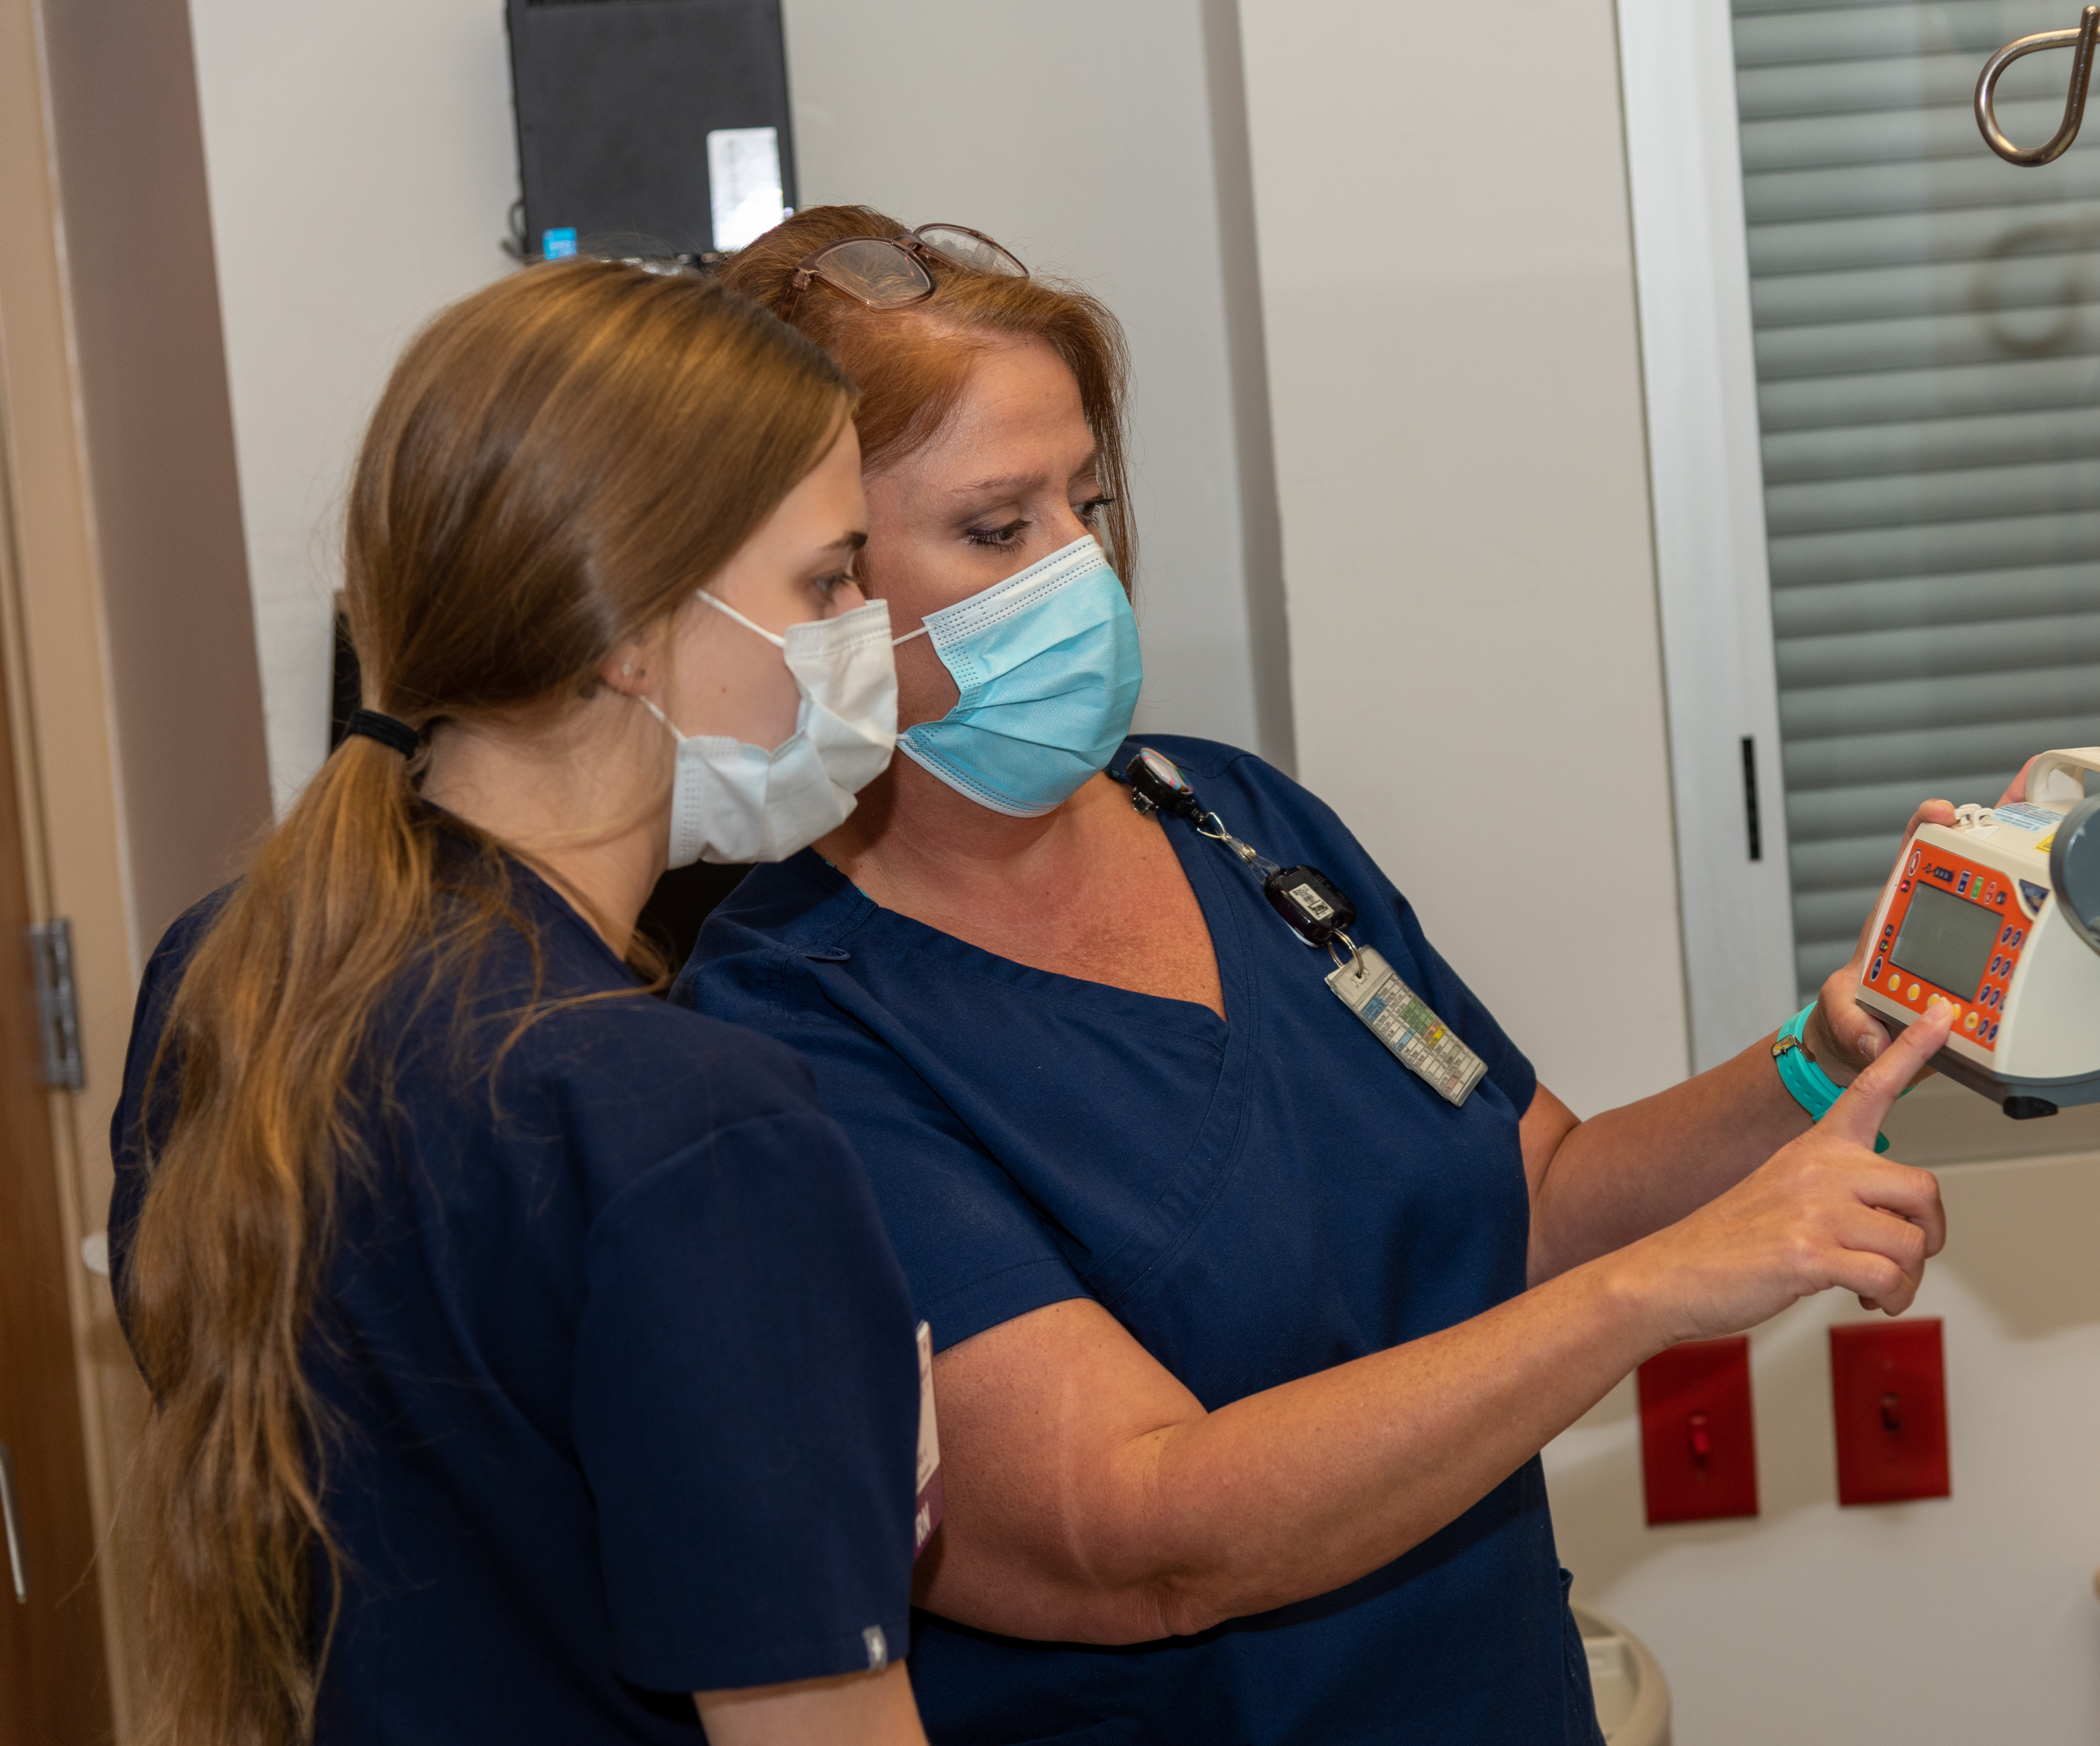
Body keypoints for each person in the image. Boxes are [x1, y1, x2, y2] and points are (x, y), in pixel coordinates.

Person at [676, 207, 1956, 1746]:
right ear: (813, 581)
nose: (1084, 574)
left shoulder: (1226, 819)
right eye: (998, 528)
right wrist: (1648, 1298)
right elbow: (1143, 1535)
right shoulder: (788, 1032)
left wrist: (1814, 1065)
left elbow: (1531, 1204)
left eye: (1088, 502)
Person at [110, 260, 937, 1746]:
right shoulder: (691, 1130)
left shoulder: (231, 971)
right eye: (826, 580)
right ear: (623, 629)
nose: (866, 629)